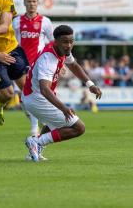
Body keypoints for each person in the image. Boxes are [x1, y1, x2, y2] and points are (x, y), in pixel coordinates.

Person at [22, 25, 102, 162]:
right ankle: (37, 142)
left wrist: (90, 84)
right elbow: (44, 89)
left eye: (71, 41)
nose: (69, 45)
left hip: (36, 96)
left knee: (51, 123)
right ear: (56, 41)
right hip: (36, 98)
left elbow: (74, 66)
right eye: (65, 42)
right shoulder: (48, 58)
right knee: (78, 128)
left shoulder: (64, 51)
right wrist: (64, 108)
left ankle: (34, 151)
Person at [12, 0, 54, 137]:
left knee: (33, 96)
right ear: (24, 3)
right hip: (19, 65)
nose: (31, 4)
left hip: (38, 66)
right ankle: (38, 123)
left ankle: (34, 130)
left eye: (34, 1)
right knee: (22, 99)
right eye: (29, 1)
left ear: (38, 3)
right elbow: (10, 42)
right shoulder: (16, 21)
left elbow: (53, 43)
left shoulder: (45, 22)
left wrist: (59, 64)